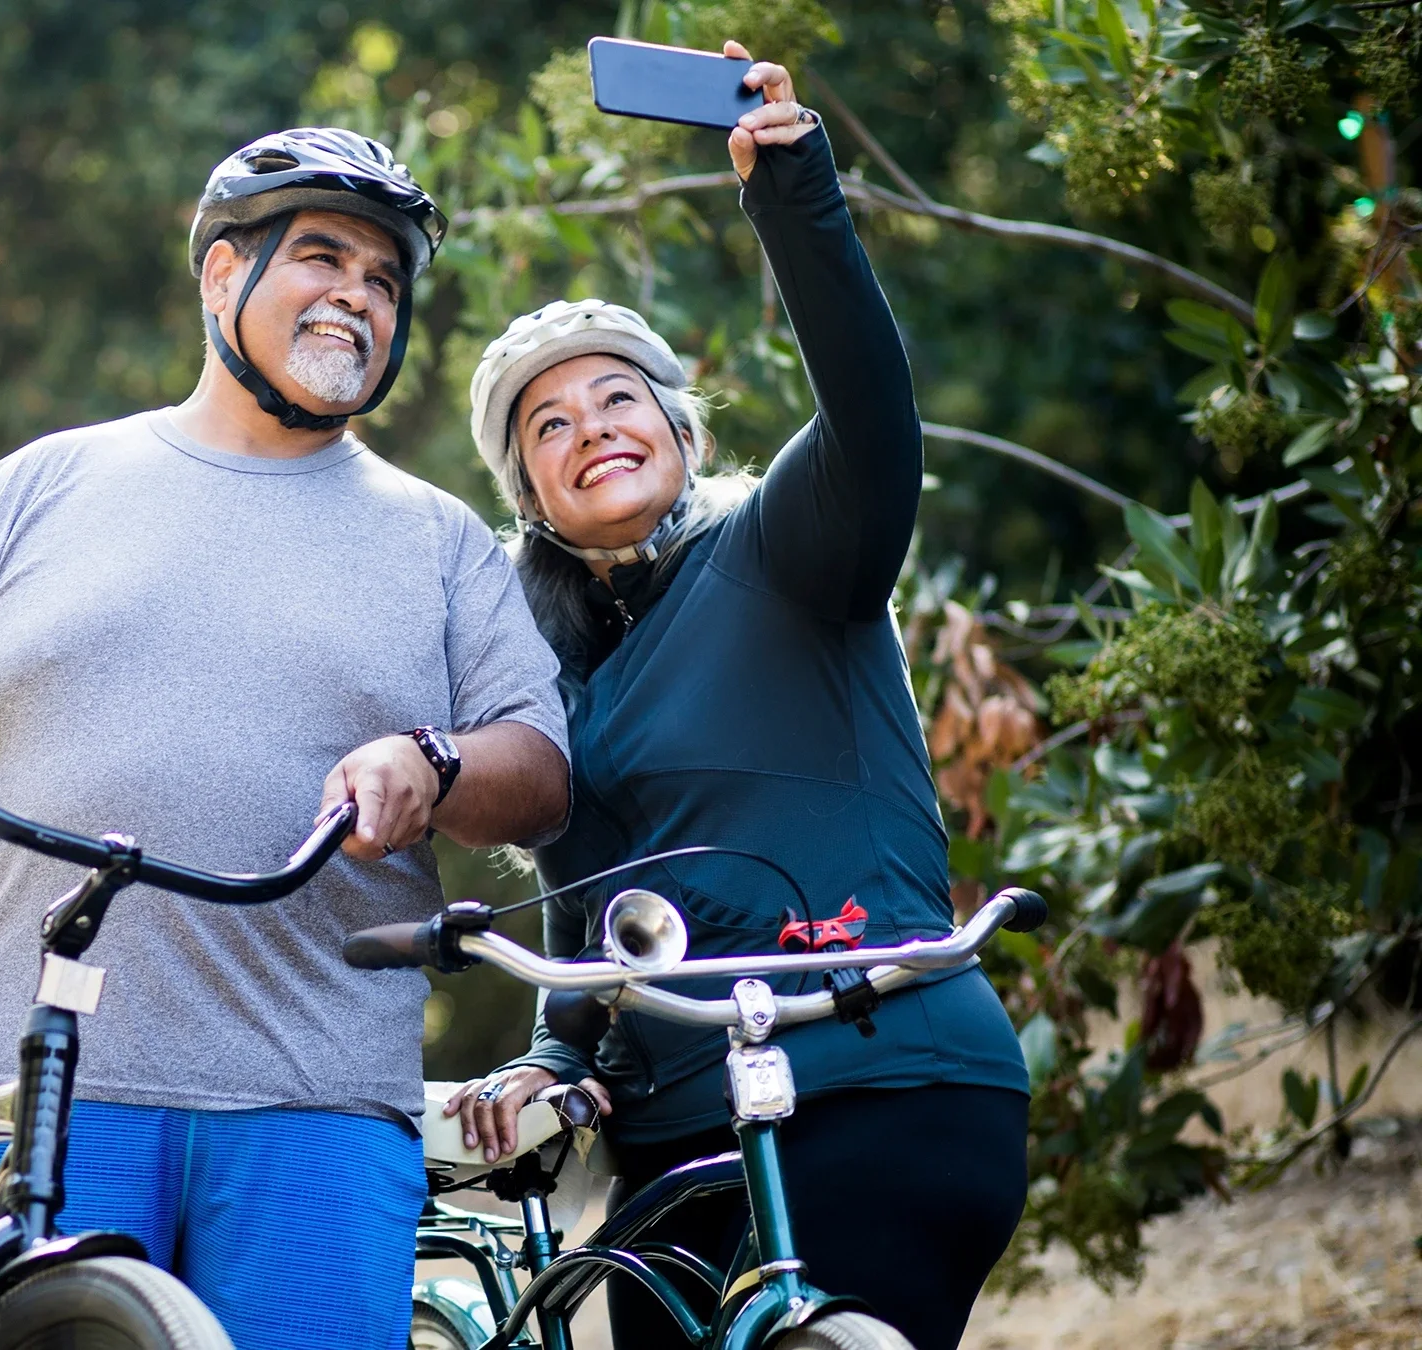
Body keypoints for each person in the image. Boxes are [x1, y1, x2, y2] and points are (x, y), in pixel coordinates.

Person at [0, 127, 573, 1350]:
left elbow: (537, 773)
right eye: (320, 257)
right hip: (49, 1087)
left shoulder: (437, 542)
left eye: (385, 281)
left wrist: (433, 765)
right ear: (221, 275)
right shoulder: (43, 485)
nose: (358, 296)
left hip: (319, 1097)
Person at [439, 46, 1029, 1350]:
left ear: (683, 433)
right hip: (679, 1132)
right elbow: (597, 898)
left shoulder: (782, 552)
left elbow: (872, 411)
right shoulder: (553, 672)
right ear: (528, 495)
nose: (591, 424)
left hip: (875, 1074)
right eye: (547, 424)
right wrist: (561, 1055)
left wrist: (794, 188)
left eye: (618, 397)